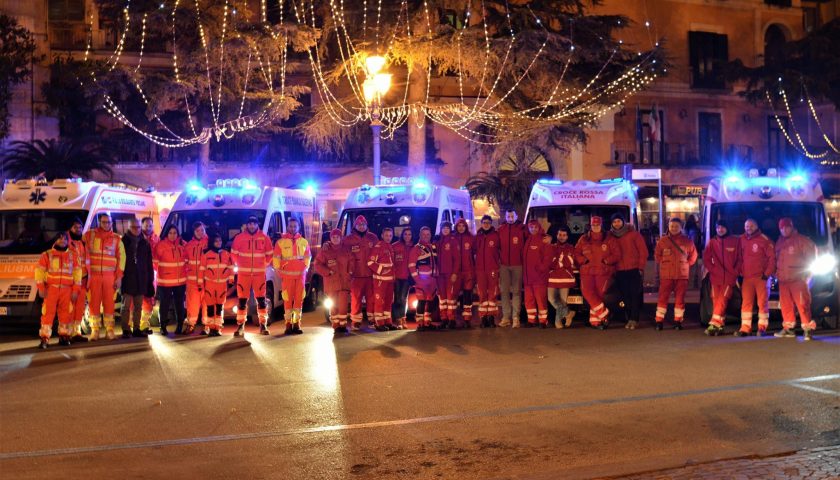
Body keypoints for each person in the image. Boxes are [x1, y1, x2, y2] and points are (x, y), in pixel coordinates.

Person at [34, 232, 82, 349]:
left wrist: (75, 291)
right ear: (55, 240)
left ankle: (64, 336)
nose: (63, 241)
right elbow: (39, 272)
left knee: (66, 314)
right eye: (60, 239)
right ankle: (45, 338)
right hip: (51, 289)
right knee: (47, 314)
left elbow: (78, 274)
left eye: (65, 239)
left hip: (67, 290)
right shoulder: (47, 255)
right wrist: (41, 288)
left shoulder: (73, 256)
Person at [83, 213, 126, 340]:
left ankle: (109, 330)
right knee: (93, 304)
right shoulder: (89, 235)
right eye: (103, 222)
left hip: (110, 277)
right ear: (99, 222)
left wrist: (119, 277)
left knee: (109, 304)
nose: (106, 224)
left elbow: (122, 259)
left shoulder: (117, 239)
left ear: (111, 223)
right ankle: (95, 331)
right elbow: (79, 251)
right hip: (94, 277)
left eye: (108, 222)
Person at [774, 218, 818, 341]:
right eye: (781, 228)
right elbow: (776, 259)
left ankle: (807, 330)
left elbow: (812, 259)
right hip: (783, 280)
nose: (784, 230)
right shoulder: (779, 241)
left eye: (786, 227)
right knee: (786, 306)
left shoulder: (803, 240)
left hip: (798, 279)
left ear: (792, 227)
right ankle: (789, 328)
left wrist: (807, 274)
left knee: (803, 304)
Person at [231, 215, 273, 336]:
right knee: (242, 301)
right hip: (243, 274)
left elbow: (270, 254)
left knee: (261, 300)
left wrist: (263, 264)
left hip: (259, 274)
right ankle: (240, 326)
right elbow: (233, 254)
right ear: (246, 225)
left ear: (257, 224)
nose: (252, 225)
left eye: (254, 223)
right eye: (250, 223)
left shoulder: (264, 238)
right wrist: (239, 264)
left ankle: (263, 324)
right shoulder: (239, 238)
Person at [654, 217, 698, 330]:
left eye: (676, 226)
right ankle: (659, 321)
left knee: (680, 299)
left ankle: (678, 321)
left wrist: (687, 264)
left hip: (681, 275)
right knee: (663, 298)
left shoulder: (688, 241)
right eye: (672, 226)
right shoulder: (663, 241)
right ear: (668, 227)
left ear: (681, 228)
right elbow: (657, 255)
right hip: (666, 275)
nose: (674, 228)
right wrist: (664, 262)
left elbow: (694, 256)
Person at [575, 216, 617, 329]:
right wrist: (583, 261)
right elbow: (577, 253)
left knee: (599, 296)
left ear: (601, 225)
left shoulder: (609, 238)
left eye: (597, 225)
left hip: (602, 272)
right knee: (587, 293)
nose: (596, 227)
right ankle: (605, 314)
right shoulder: (583, 239)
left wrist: (607, 261)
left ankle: (595, 322)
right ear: (590, 225)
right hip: (587, 272)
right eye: (594, 225)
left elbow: (616, 254)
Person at [736, 218, 775, 337]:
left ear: (757, 226)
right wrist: (739, 273)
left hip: (761, 278)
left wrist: (767, 274)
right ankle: (745, 328)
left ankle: (762, 328)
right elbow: (738, 258)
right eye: (747, 226)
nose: (749, 228)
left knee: (762, 303)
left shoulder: (765, 240)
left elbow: (772, 259)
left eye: (751, 226)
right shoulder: (741, 239)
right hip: (747, 278)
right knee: (746, 303)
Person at [609, 213, 649, 329]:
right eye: (614, 222)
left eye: (619, 221)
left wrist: (640, 267)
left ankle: (634, 319)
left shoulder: (634, 234)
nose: (617, 224)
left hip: (634, 269)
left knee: (634, 295)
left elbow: (643, 252)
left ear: (623, 222)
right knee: (625, 296)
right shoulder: (610, 236)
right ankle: (629, 317)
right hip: (619, 270)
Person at [703, 219, 741, 336]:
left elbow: (740, 258)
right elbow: (706, 259)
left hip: (729, 278)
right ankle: (720, 325)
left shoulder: (735, 241)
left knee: (722, 300)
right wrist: (713, 270)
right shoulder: (712, 242)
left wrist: (735, 272)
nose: (720, 229)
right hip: (715, 277)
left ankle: (714, 323)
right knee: (716, 300)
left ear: (727, 228)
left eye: (722, 227)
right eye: (718, 227)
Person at [274, 217, 311, 335]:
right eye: (291, 226)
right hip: (287, 277)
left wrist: (305, 269)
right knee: (287, 301)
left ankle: (297, 324)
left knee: (299, 301)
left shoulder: (304, 242)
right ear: (288, 227)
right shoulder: (280, 242)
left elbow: (308, 257)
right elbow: (276, 260)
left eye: (295, 226)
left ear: (298, 227)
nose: (293, 228)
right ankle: (288, 324)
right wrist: (280, 272)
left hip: (300, 276)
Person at [120, 218, 154, 338]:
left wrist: (150, 280)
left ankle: (136, 329)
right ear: (128, 227)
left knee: (138, 307)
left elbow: (149, 263)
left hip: (141, 279)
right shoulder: (123, 242)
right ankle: (125, 329)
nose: (137, 229)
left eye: (139, 227)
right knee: (126, 307)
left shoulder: (145, 243)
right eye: (134, 227)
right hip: (127, 279)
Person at [314, 229, 353, 334]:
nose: (335, 239)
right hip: (331, 282)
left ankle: (343, 325)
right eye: (333, 237)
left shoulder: (345, 249)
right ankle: (336, 325)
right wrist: (328, 272)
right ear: (330, 238)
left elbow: (351, 261)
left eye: (337, 237)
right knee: (333, 305)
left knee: (343, 305)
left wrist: (349, 272)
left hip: (344, 282)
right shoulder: (325, 250)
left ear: (341, 238)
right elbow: (317, 264)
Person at [344, 216, 379, 329]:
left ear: (366, 225)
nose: (361, 226)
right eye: (359, 225)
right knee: (356, 299)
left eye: (363, 224)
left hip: (370, 274)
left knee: (371, 298)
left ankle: (371, 319)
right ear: (355, 226)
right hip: (356, 275)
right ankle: (356, 321)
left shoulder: (373, 238)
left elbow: (379, 252)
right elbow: (339, 249)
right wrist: (328, 244)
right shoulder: (348, 240)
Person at [154, 225, 187, 335]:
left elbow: (188, 259)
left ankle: (180, 326)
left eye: (175, 233)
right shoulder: (161, 245)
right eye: (170, 233)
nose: (173, 235)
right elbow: (154, 262)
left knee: (179, 305)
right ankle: (163, 326)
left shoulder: (182, 245)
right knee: (165, 304)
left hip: (180, 281)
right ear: (167, 234)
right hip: (165, 281)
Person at [199, 233, 234, 336]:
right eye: (216, 241)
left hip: (222, 284)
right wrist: (200, 284)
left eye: (220, 241)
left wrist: (231, 281)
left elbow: (231, 268)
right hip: (210, 284)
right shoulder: (206, 255)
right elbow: (201, 270)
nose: (218, 243)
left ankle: (218, 328)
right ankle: (211, 328)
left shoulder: (226, 254)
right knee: (210, 306)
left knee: (219, 306)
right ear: (212, 242)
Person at [498, 209, 527, 328]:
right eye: (508, 216)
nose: (510, 218)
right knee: (504, 292)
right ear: (505, 217)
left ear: (516, 216)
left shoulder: (522, 229)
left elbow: (533, 237)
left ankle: (516, 317)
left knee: (516, 292)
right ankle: (506, 317)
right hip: (504, 265)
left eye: (512, 216)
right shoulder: (501, 229)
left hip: (518, 265)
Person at [523, 220, 552, 328]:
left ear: (539, 228)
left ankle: (543, 321)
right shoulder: (527, 240)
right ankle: (531, 320)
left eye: (535, 227)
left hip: (539, 278)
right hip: (527, 278)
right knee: (529, 300)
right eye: (531, 227)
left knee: (541, 300)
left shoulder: (544, 240)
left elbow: (548, 258)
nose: (533, 229)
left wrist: (541, 269)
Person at [367, 228, 397, 331]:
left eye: (390, 235)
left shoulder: (390, 247)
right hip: (380, 280)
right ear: (382, 235)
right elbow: (370, 263)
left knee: (388, 302)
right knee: (379, 302)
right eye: (386, 235)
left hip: (389, 281)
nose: (388, 237)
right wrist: (381, 270)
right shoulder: (378, 247)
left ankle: (388, 322)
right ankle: (379, 323)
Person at [408, 226, 438, 331]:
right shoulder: (416, 248)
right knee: (421, 302)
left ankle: (427, 322)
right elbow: (411, 265)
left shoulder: (433, 247)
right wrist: (417, 280)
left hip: (432, 280)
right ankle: (420, 323)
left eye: (428, 235)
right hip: (421, 280)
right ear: (420, 235)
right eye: (424, 234)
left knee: (429, 302)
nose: (426, 236)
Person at [474, 215, 500, 328]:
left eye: (488, 222)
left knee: (493, 294)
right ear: (481, 223)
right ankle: (483, 317)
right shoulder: (477, 237)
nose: (486, 224)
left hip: (492, 269)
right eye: (484, 222)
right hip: (480, 270)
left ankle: (491, 318)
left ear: (491, 223)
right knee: (482, 294)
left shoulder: (496, 236)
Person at [548, 226, 576, 329]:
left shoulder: (571, 248)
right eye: (560, 235)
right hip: (552, 278)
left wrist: (558, 261)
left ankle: (558, 322)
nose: (561, 237)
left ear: (567, 236)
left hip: (566, 278)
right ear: (556, 235)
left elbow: (570, 262)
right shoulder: (551, 247)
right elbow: (549, 261)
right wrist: (561, 261)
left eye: (564, 235)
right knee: (551, 299)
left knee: (563, 301)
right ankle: (568, 313)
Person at [183, 222, 208, 335]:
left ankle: (207, 325)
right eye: (197, 231)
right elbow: (185, 261)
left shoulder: (209, 243)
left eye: (202, 230)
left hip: (207, 280)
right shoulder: (188, 246)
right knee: (192, 304)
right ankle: (190, 325)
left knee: (207, 304)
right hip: (192, 281)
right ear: (194, 232)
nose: (200, 232)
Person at [67, 218, 88, 343]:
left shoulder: (83, 242)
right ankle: (67, 332)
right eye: (75, 227)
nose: (78, 229)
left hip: (83, 280)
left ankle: (77, 332)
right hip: (70, 280)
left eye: (80, 227)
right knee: (70, 307)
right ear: (70, 228)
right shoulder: (65, 242)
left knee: (80, 307)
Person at [436, 221, 460, 328]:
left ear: (450, 229)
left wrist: (455, 273)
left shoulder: (453, 241)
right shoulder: (438, 241)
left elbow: (457, 259)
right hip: (440, 275)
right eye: (443, 228)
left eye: (447, 228)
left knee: (450, 298)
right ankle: (444, 318)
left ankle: (451, 319)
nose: (445, 230)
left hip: (450, 274)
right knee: (442, 299)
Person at [454, 218, 476, 328]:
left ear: (466, 227)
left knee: (467, 295)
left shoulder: (471, 238)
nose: (461, 228)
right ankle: (452, 319)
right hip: (456, 272)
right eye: (459, 226)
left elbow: (475, 254)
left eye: (463, 226)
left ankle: (467, 319)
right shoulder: (453, 238)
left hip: (468, 271)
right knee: (454, 296)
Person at [139, 217, 159, 335]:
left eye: (150, 225)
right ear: (142, 226)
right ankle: (134, 326)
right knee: (136, 300)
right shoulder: (137, 238)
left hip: (153, 273)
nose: (148, 227)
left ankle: (144, 325)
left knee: (149, 299)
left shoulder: (157, 239)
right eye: (146, 225)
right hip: (139, 273)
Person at [391, 228, 413, 328]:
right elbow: (391, 262)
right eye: (405, 234)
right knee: (397, 298)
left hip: (407, 277)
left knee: (403, 298)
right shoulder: (395, 246)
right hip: (397, 277)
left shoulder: (413, 247)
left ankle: (403, 318)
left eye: (409, 234)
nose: (407, 236)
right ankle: (398, 320)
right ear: (402, 235)